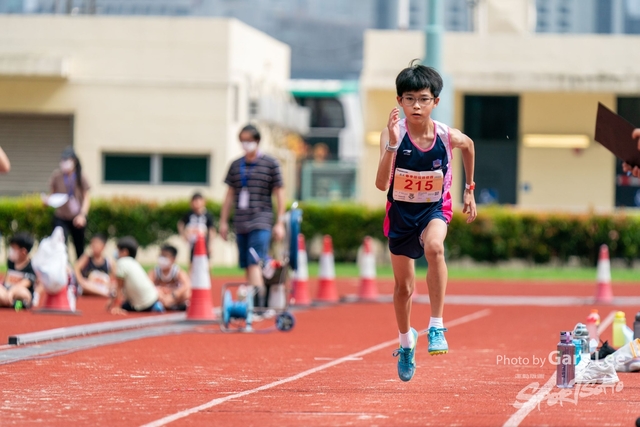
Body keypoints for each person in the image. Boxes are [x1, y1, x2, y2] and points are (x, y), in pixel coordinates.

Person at [375, 62, 477, 382]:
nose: (416, 105)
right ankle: (406, 342)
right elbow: (381, 184)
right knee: (404, 288)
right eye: (409, 99)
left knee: (435, 248)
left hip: (435, 208)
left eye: (423, 98)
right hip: (401, 214)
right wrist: (392, 143)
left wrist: (469, 190)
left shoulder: (447, 136)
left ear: (435, 101)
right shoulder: (393, 134)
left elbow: (469, 146)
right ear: (399, 100)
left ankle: (436, 326)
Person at [219, 124, 286, 307]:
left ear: (257, 141)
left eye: (248, 140)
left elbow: (280, 193)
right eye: (242, 140)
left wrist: (280, 222)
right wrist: (223, 221)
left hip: (261, 219)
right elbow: (229, 195)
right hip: (241, 221)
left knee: (254, 259)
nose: (245, 144)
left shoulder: (271, 164)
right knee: (247, 263)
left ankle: (259, 302)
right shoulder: (235, 165)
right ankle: (255, 297)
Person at [44, 146, 91, 260]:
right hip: (61, 216)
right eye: (63, 160)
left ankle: (81, 273)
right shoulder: (57, 176)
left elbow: (86, 197)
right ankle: (64, 270)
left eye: (67, 160)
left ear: (74, 161)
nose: (64, 163)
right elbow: (52, 194)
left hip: (77, 216)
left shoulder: (80, 177)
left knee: (79, 247)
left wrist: (82, 215)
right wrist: (47, 200)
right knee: (60, 245)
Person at [107, 236, 163, 315]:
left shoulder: (122, 262)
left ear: (125, 252)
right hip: (153, 299)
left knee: (125, 306)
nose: (116, 252)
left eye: (118, 250)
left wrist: (116, 306)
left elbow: (119, 287)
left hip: (141, 305)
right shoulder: (134, 263)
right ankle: (155, 306)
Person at [148, 244, 191, 310]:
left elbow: (186, 284)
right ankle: (166, 305)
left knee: (187, 293)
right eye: (161, 256)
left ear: (173, 259)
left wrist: (173, 295)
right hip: (160, 297)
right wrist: (160, 294)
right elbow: (147, 284)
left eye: (165, 256)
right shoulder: (155, 271)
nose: (162, 258)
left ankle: (173, 305)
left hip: (173, 296)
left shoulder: (177, 271)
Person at [0, 232, 36, 309]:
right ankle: (9, 303)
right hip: (7, 292)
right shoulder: (10, 262)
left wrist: (11, 292)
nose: (11, 251)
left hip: (18, 294)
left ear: (23, 252)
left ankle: (14, 304)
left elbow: (25, 283)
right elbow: (6, 278)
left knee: (23, 293)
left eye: (13, 248)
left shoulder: (30, 267)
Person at [177, 192, 216, 261]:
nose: (197, 203)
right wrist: (184, 235)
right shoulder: (189, 214)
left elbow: (211, 230)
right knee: (192, 260)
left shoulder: (208, 215)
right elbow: (180, 224)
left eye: (199, 200)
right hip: (193, 242)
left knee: (207, 261)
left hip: (204, 242)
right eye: (195, 201)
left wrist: (210, 244)